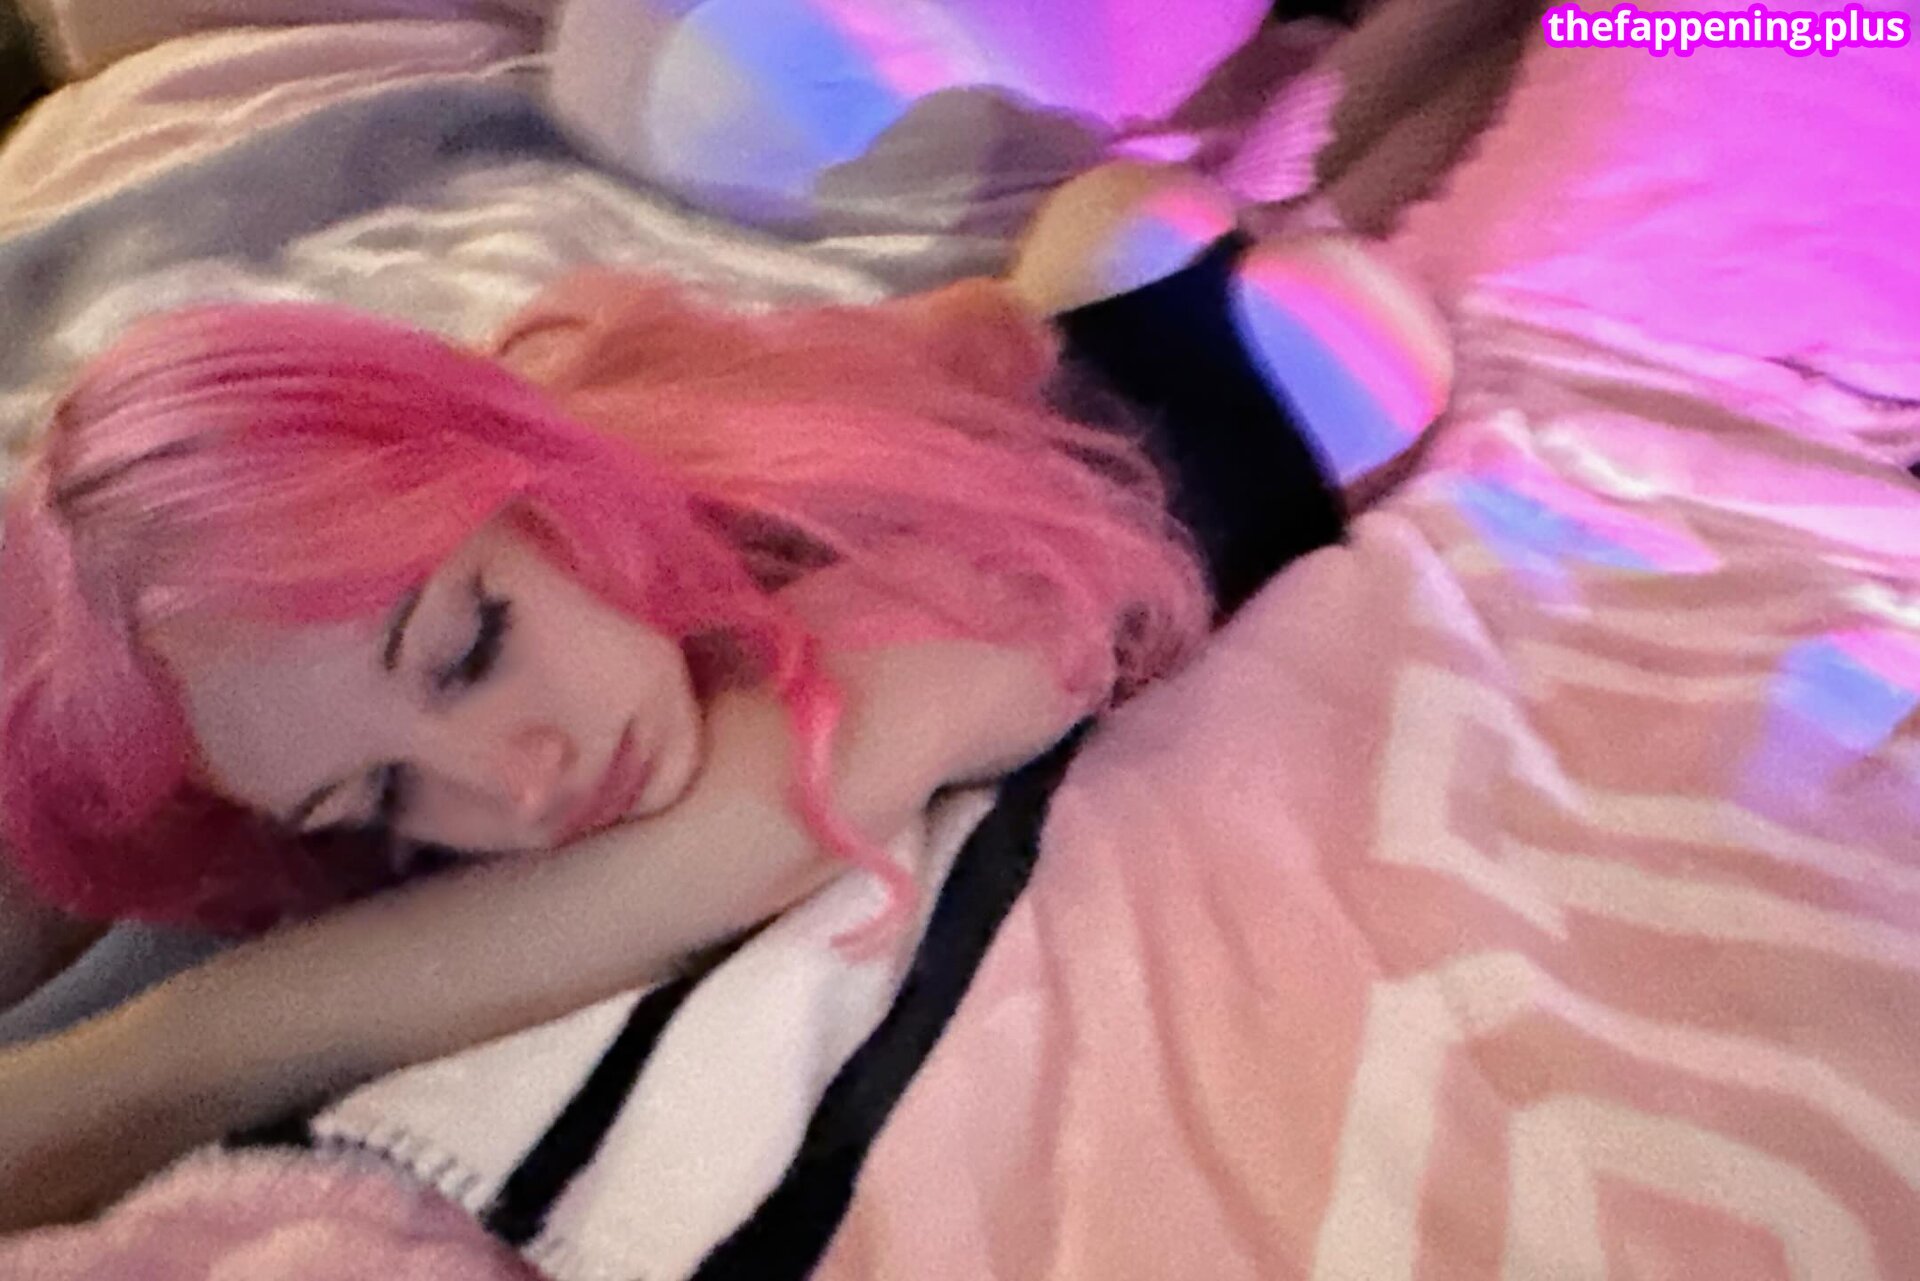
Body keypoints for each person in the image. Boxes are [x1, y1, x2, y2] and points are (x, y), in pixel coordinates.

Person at [0, 160, 1450, 1230]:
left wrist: (133, 1072)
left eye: (471, 645)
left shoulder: (953, 613)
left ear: (534, 489)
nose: (519, 782)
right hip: (986, 348)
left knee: (1426, 159)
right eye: (376, 792)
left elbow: (731, 838)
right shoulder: (539, 526)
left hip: (1253, 377)